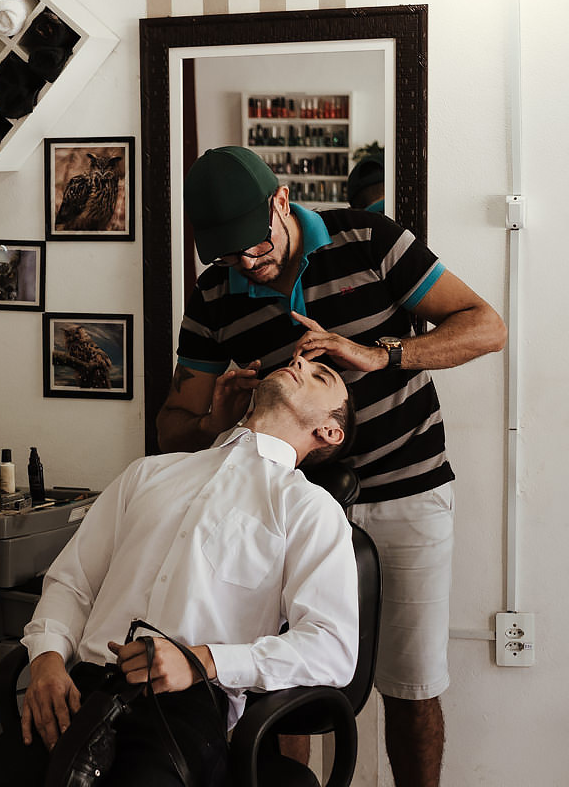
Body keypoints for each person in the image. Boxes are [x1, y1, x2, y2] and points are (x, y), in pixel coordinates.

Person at [158, 146, 507, 787]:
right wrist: (213, 422)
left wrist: (383, 355)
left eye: (255, 245)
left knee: (412, 685)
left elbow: (487, 327)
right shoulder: (213, 296)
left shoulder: (371, 241)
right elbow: (172, 430)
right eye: (229, 256)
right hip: (290, 507)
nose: (247, 264)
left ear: (281, 200)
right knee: (281, 685)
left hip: (409, 491)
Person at [0, 356, 359, 787]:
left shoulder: (309, 509)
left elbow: (332, 646)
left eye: (320, 375)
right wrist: (46, 658)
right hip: (79, 689)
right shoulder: (148, 472)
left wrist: (202, 661)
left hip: (183, 705)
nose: (300, 360)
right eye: (300, 361)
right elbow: (73, 581)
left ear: (329, 431)